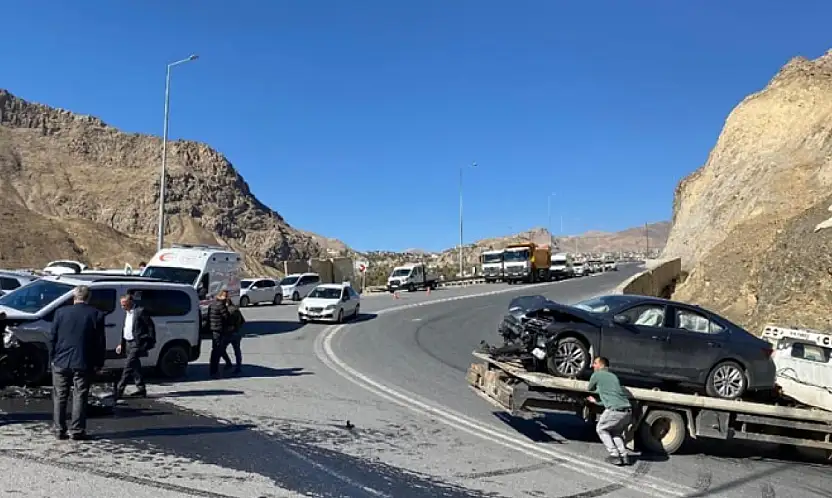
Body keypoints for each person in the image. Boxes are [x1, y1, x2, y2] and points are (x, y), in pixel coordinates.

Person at [48, 285, 106, 440]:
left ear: (74, 297)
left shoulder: (60, 312)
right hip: (83, 361)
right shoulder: (96, 314)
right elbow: (100, 342)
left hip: (61, 360)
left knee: (60, 395)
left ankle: (59, 429)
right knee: (80, 395)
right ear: (88, 298)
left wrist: (52, 358)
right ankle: (77, 430)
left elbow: (53, 337)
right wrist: (99, 363)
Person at [586, 356, 632, 466]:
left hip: (615, 411)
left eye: (595, 363)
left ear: (601, 365)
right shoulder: (613, 376)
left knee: (601, 429)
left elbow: (589, 388)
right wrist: (596, 402)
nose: (593, 366)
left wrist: (596, 390)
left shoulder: (597, 374)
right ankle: (624, 455)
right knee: (615, 432)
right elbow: (611, 397)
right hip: (627, 411)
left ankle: (614, 455)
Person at [115, 293, 155, 398]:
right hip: (127, 342)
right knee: (135, 366)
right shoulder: (127, 313)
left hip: (136, 343)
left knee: (128, 366)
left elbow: (150, 326)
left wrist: (149, 341)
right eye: (121, 304)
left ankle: (119, 390)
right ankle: (141, 389)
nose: (122, 307)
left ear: (131, 302)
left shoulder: (140, 311)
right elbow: (125, 328)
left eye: (124, 304)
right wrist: (121, 344)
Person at [208, 290, 232, 377]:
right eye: (226, 296)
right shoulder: (221, 305)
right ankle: (214, 371)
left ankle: (212, 369)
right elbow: (227, 317)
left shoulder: (212, 304)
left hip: (214, 329)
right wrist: (228, 307)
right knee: (218, 351)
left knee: (215, 350)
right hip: (219, 329)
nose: (226, 298)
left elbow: (209, 317)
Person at [225, 298, 246, 374]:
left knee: (221, 349)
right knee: (237, 351)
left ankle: (228, 362)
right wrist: (238, 328)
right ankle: (238, 367)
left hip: (229, 334)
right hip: (237, 333)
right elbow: (243, 321)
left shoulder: (227, 310)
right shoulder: (236, 309)